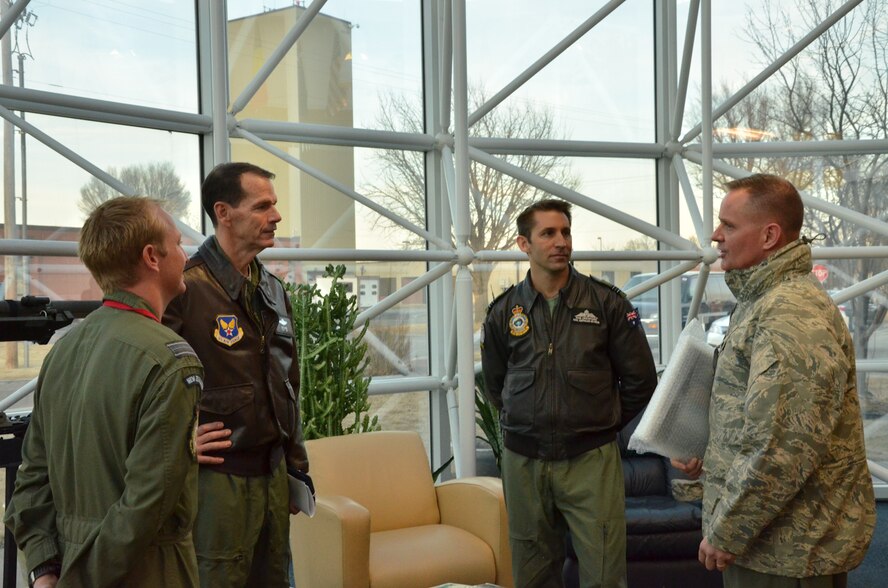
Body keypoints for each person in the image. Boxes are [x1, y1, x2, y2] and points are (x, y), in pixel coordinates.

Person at [673, 174, 876, 587]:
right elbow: (756, 418)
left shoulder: (789, 314)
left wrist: (730, 529)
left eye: (729, 226)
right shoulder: (761, 301)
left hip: (787, 551)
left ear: (769, 235)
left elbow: (784, 445)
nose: (715, 236)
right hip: (770, 541)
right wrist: (709, 457)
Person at [4, 196, 204, 587]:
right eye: (178, 243)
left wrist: (45, 571)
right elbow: (145, 507)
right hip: (145, 572)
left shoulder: (64, 351)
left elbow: (31, 478)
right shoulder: (171, 361)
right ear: (152, 256)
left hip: (66, 568)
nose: (185, 255)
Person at [481, 199, 658, 587]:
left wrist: (600, 421)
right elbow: (496, 385)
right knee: (533, 573)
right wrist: (527, 418)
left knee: (604, 574)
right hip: (524, 460)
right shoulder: (503, 312)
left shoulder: (607, 304)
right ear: (524, 244)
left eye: (565, 232)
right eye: (548, 233)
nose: (561, 241)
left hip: (590, 462)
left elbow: (641, 382)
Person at [163, 161, 308, 588]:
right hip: (217, 484)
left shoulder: (272, 289)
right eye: (262, 206)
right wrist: (180, 440)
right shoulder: (186, 288)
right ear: (223, 212)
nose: (276, 217)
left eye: (274, 206)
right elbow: (148, 385)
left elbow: (288, 382)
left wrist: (296, 466)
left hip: (273, 477)